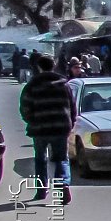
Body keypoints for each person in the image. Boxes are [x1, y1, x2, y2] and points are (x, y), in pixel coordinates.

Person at [19, 55, 76, 204]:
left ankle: (41, 190)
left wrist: (32, 120)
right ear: (54, 65)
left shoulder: (31, 86)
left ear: (39, 67)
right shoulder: (64, 85)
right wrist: (71, 123)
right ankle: (63, 184)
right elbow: (72, 107)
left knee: (40, 159)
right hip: (61, 127)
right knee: (61, 159)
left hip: (39, 128)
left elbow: (25, 108)